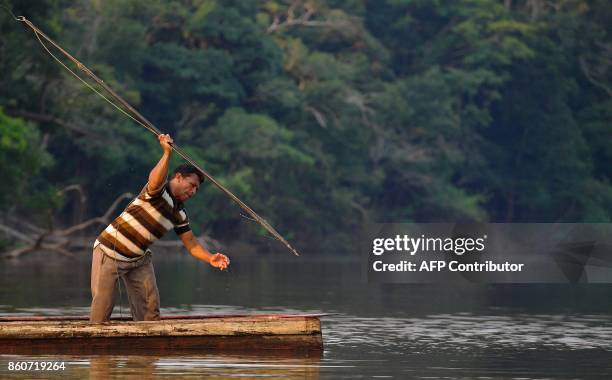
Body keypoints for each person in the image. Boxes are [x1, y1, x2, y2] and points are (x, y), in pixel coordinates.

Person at [89, 134, 230, 323]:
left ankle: (148, 349)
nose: (193, 192)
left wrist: (210, 257)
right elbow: (155, 179)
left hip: (138, 259)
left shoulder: (179, 213)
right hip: (109, 250)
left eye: (196, 189)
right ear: (179, 177)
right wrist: (166, 153)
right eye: (191, 185)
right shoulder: (157, 192)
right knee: (102, 309)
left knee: (150, 312)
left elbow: (192, 244)